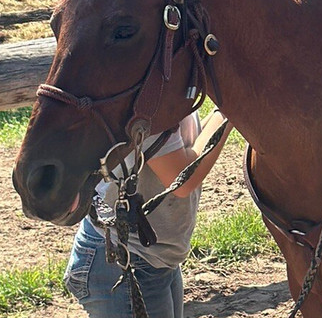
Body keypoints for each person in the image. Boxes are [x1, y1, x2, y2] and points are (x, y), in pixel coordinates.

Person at [63, 108, 233, 318]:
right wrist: (228, 111)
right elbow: (182, 178)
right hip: (124, 259)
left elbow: (188, 142)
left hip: (152, 256)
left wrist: (223, 112)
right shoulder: (148, 106)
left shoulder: (166, 92)